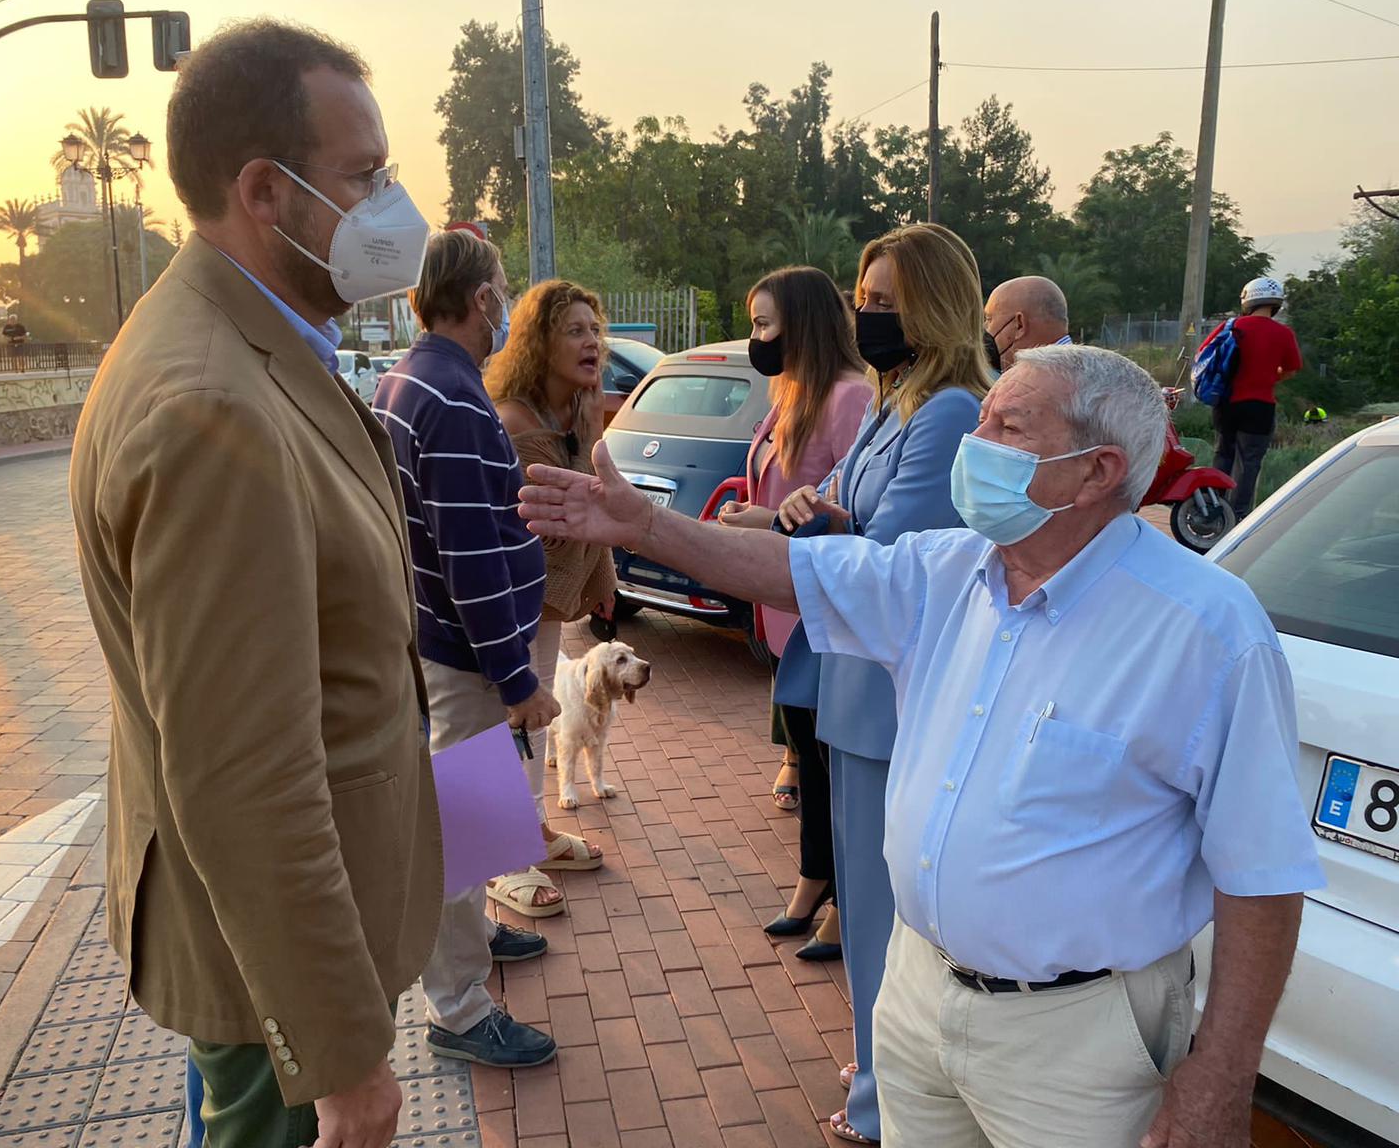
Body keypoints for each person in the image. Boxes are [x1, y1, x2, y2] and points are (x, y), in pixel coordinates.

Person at [518, 344, 1325, 1148]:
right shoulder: (949, 570)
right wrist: (646, 527)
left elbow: (1263, 877)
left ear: (1096, 471)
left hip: (1078, 1040)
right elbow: (790, 569)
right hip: (917, 992)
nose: (974, 445)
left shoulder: (1205, 630)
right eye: (981, 419)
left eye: (1008, 426)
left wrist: (1223, 1073)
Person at [68, 20, 441, 1148]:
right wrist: (340, 1057)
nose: (391, 208)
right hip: (274, 970)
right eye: (363, 177)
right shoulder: (213, 407)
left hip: (284, 936)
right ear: (265, 194)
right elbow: (244, 773)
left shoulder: (245, 344)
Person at [772, 224, 988, 1139]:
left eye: (885, 302)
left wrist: (817, 522)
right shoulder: (899, 401)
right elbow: (849, 516)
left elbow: (891, 549)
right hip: (852, 688)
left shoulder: (947, 412)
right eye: (863, 297)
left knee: (881, 915)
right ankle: (880, 1068)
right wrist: (810, 511)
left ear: (934, 306)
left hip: (889, 700)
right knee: (866, 910)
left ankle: (880, 1102)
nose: (866, 314)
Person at [372, 229, 560, 1070]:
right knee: (459, 824)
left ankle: (473, 941)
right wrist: (516, 676)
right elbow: (470, 554)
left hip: (439, 646)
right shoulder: (448, 399)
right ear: (480, 299)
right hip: (461, 653)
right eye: (502, 287)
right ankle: (457, 1007)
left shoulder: (412, 379)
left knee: (473, 812)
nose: (509, 300)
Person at [718, 268, 873, 878]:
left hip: (820, 612)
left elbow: (851, 510)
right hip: (783, 606)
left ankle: (835, 893)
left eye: (763, 324)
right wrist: (756, 517)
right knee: (806, 754)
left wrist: (763, 519)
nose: (756, 338)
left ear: (802, 324)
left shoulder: (848, 397)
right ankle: (814, 882)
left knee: (826, 763)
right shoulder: (791, 392)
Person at [486, 278, 619, 879]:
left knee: (533, 711)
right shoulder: (517, 422)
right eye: (574, 330)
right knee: (496, 719)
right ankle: (500, 860)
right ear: (539, 343)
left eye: (595, 329)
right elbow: (556, 524)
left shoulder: (576, 410)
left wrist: (605, 577)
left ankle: (526, 833)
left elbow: (600, 512)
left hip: (537, 604)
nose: (591, 341)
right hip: (507, 602)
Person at [1206, 277, 1301, 518]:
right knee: (1248, 464)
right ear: (1276, 303)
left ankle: (1211, 513)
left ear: (1247, 300)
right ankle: (1237, 517)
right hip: (1259, 407)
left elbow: (1206, 359)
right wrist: (1269, 377)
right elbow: (1291, 369)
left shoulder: (1231, 326)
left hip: (1226, 404)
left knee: (1223, 454)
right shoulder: (1283, 333)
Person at [983, 275, 1070, 372]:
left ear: (1019, 325)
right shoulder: (1081, 372)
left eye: (989, 319)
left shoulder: (1036, 381)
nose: (985, 327)